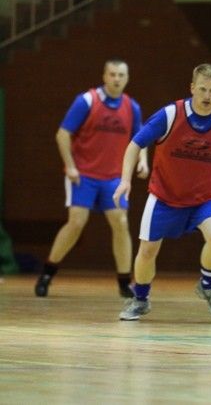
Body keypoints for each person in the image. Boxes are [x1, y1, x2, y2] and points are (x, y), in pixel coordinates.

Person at [114, 63, 211, 321]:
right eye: (202, 89)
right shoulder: (170, 114)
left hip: (205, 198)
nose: (207, 95)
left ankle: (207, 286)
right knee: (147, 251)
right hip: (164, 197)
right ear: (192, 88)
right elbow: (135, 144)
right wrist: (125, 180)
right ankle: (140, 299)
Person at [34, 59, 149, 298]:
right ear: (104, 76)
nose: (116, 79)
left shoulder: (132, 107)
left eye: (121, 75)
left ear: (127, 78)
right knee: (77, 222)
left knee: (121, 223)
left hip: (113, 177)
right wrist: (70, 166)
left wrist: (143, 160)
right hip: (84, 174)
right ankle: (47, 273)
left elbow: (141, 138)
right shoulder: (86, 101)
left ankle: (124, 282)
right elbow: (62, 134)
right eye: (112, 74)